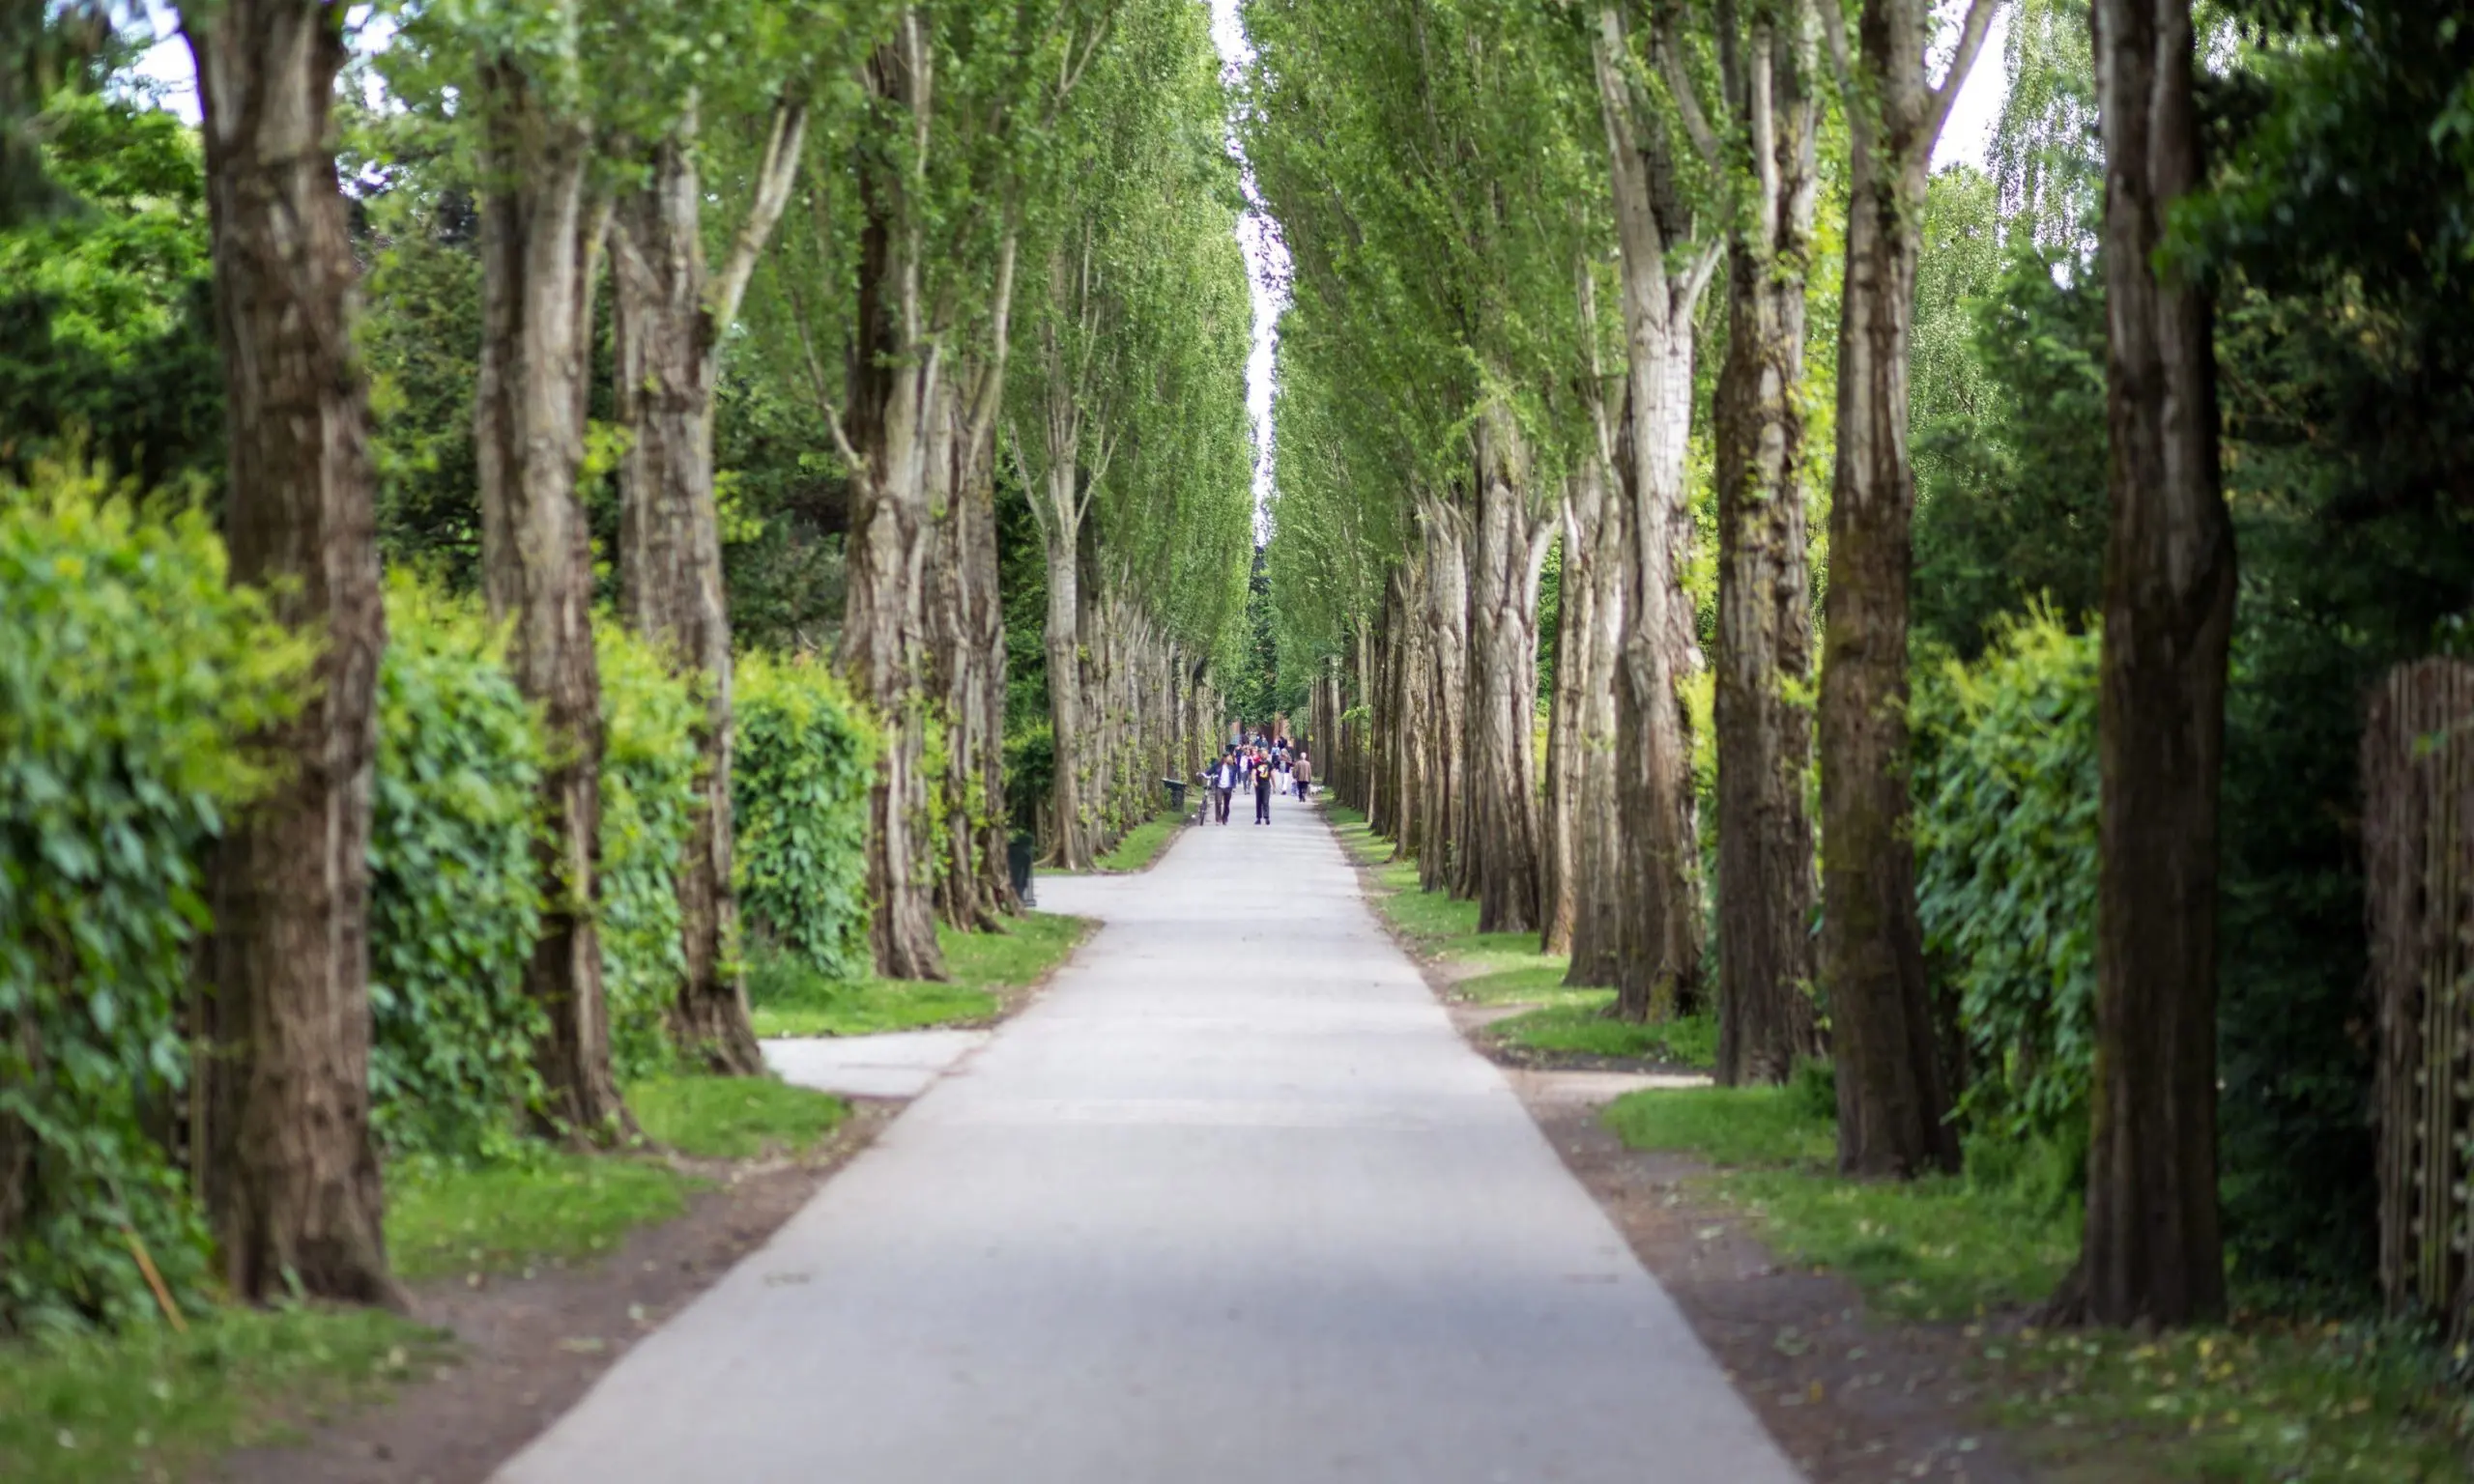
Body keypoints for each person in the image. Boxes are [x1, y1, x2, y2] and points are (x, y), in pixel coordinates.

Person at [1212, 750, 1237, 824]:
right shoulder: (1218, 765)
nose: (1226, 758)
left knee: (1227, 805)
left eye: (1227, 757)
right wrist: (1204, 774)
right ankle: (1218, 819)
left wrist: (1233, 762)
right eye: (1225, 757)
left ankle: (1225, 818)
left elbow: (1235, 774)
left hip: (1228, 787)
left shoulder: (1232, 766)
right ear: (1223, 758)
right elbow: (1210, 771)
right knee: (1218, 802)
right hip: (1219, 787)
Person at [1252, 749, 1275, 824]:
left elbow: (1272, 775)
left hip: (1266, 785)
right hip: (1258, 785)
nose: (1264, 755)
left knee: (1265, 802)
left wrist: (1274, 785)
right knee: (1258, 802)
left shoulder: (1269, 764)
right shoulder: (1257, 764)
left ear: (1267, 755)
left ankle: (1266, 817)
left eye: (1265, 754)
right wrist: (1254, 780)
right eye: (1263, 754)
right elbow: (1253, 773)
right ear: (1260, 755)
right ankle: (1258, 818)